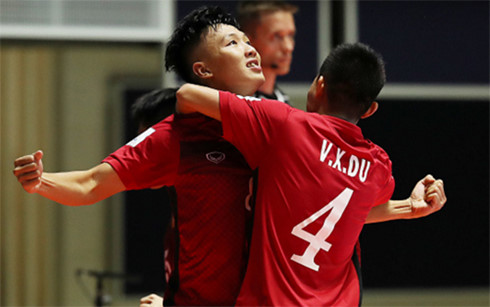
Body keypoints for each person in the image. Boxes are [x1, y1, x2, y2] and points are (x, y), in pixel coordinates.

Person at [13, 7, 445, 306]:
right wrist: (41, 181)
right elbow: (91, 184)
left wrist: (407, 207)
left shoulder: (288, 128)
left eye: (245, 39)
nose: (250, 48)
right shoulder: (178, 136)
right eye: (234, 43)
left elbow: (324, 212)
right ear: (203, 71)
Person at [175, 42, 446, 305]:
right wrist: (409, 207)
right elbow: (345, 216)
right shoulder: (377, 165)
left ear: (320, 85)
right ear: (370, 109)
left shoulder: (283, 123)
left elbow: (187, 95)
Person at [237, 0, 297, 103]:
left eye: (290, 35)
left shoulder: (283, 100)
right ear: (248, 40)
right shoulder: (237, 102)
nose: (288, 47)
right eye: (277, 36)